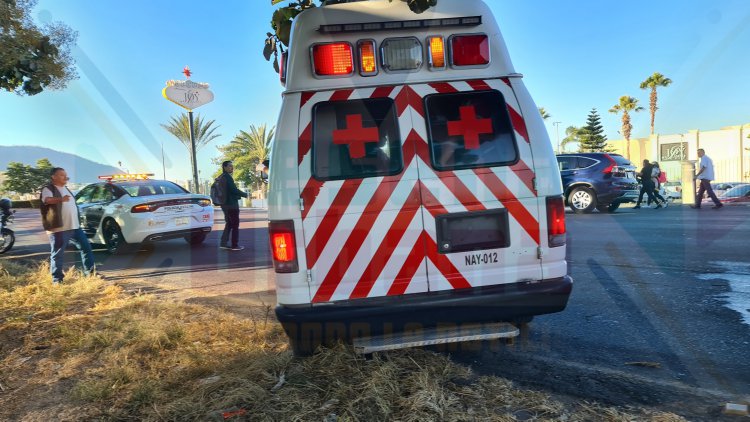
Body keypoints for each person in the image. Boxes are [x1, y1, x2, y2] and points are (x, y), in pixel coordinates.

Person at [40, 167, 97, 284]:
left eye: (65, 175)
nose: (65, 177)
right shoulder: (48, 188)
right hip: (59, 229)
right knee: (58, 254)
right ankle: (57, 280)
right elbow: (48, 200)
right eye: (62, 175)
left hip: (75, 227)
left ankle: (90, 274)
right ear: (53, 177)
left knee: (86, 248)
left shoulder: (66, 189)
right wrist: (61, 199)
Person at [218, 161, 248, 251]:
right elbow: (234, 190)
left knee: (229, 223)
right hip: (231, 204)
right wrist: (244, 194)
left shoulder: (220, 177)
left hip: (224, 204)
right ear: (225, 167)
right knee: (235, 224)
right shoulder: (227, 177)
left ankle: (223, 243)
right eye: (230, 166)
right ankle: (235, 245)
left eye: (232, 166)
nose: (232, 168)